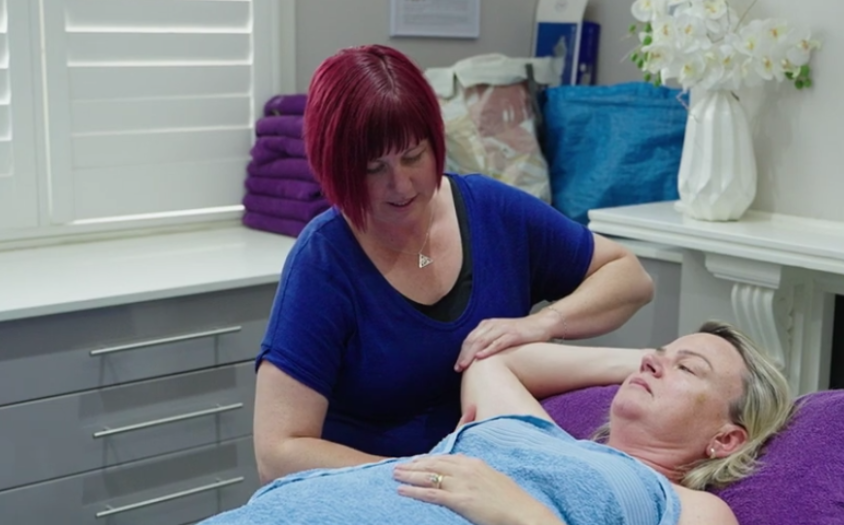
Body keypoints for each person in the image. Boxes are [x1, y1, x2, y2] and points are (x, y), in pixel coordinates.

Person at [254, 44, 655, 482]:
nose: (401, 184)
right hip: (385, 490)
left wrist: (543, 324)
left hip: (490, 484)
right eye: (374, 168)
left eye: (413, 156)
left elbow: (629, 277)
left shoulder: (492, 212)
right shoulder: (324, 261)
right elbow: (278, 451)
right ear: (337, 167)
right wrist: (431, 478)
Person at [200, 321, 797, 525]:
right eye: (656, 355)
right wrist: (644, 359)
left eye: (687, 368)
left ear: (726, 438)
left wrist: (521, 513)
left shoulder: (686, 505)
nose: (653, 363)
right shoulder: (535, 430)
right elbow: (493, 361)